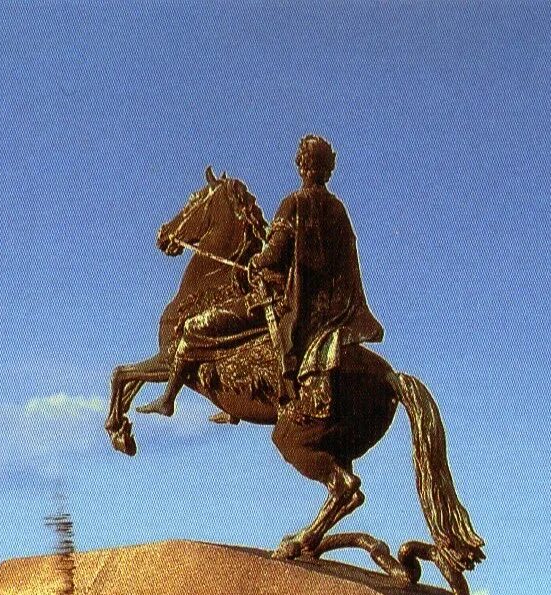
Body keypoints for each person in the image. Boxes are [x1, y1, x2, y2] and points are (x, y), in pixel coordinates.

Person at [140, 135, 382, 424]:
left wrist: (256, 261)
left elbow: (276, 252)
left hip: (292, 305)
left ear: (302, 166)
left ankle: (168, 398)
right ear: (328, 169)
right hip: (333, 312)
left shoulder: (295, 203)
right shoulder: (338, 210)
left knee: (194, 327)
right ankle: (233, 406)